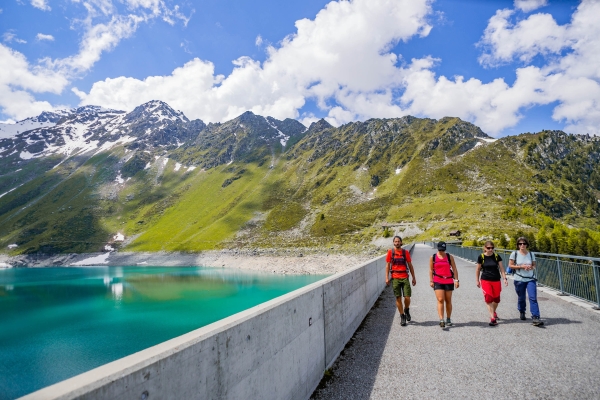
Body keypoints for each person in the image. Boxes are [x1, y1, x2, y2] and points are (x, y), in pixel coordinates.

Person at [509, 237, 543, 326]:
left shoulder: (531, 254)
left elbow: (534, 265)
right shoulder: (514, 254)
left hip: (530, 278)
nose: (522, 245)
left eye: (524, 243)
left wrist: (531, 267)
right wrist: (521, 267)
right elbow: (510, 265)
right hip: (519, 279)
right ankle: (522, 310)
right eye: (520, 244)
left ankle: (536, 317)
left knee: (533, 297)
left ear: (527, 244)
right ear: (518, 245)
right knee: (521, 297)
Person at [385, 236, 416, 326]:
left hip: (404, 277)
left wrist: (414, 277)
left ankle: (406, 309)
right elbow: (387, 265)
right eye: (395, 241)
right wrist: (387, 277)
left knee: (407, 297)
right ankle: (402, 316)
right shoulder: (390, 252)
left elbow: (410, 265)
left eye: (398, 241)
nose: (397, 243)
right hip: (395, 278)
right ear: (393, 243)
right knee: (398, 297)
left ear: (401, 242)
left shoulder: (405, 252)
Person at [475, 241, 508, 326]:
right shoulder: (481, 257)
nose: (491, 249)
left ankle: (494, 311)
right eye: (488, 248)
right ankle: (492, 318)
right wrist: (477, 280)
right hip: (485, 280)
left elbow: (501, 268)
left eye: (492, 248)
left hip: (496, 279)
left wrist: (505, 278)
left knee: (496, 299)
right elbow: (478, 269)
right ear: (485, 248)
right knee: (489, 298)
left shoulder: (497, 256)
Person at [429, 241, 459, 328]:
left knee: (448, 300)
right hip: (438, 280)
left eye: (443, 250)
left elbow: (454, 268)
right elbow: (431, 270)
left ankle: (448, 318)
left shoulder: (449, 257)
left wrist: (456, 280)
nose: (442, 251)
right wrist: (431, 280)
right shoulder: (433, 257)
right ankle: (441, 319)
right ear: (437, 249)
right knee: (440, 299)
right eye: (440, 250)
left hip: (449, 280)